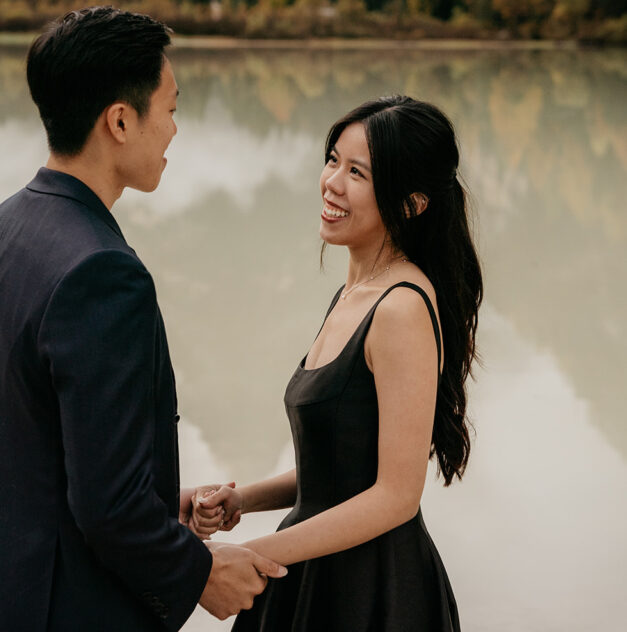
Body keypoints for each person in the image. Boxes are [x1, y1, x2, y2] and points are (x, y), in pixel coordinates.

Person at [0, 6, 285, 632]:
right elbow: (107, 508)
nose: (173, 130)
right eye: (171, 109)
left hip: (1, 596)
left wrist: (163, 504)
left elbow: (34, 446)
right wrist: (199, 572)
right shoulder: (103, 274)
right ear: (119, 120)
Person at [192, 95, 483, 631]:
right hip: (309, 567)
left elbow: (396, 495)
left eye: (358, 173)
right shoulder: (356, 294)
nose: (332, 182)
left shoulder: (399, 308)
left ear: (413, 203)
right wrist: (243, 498)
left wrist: (252, 553)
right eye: (332, 160)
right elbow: (343, 466)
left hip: (369, 591)